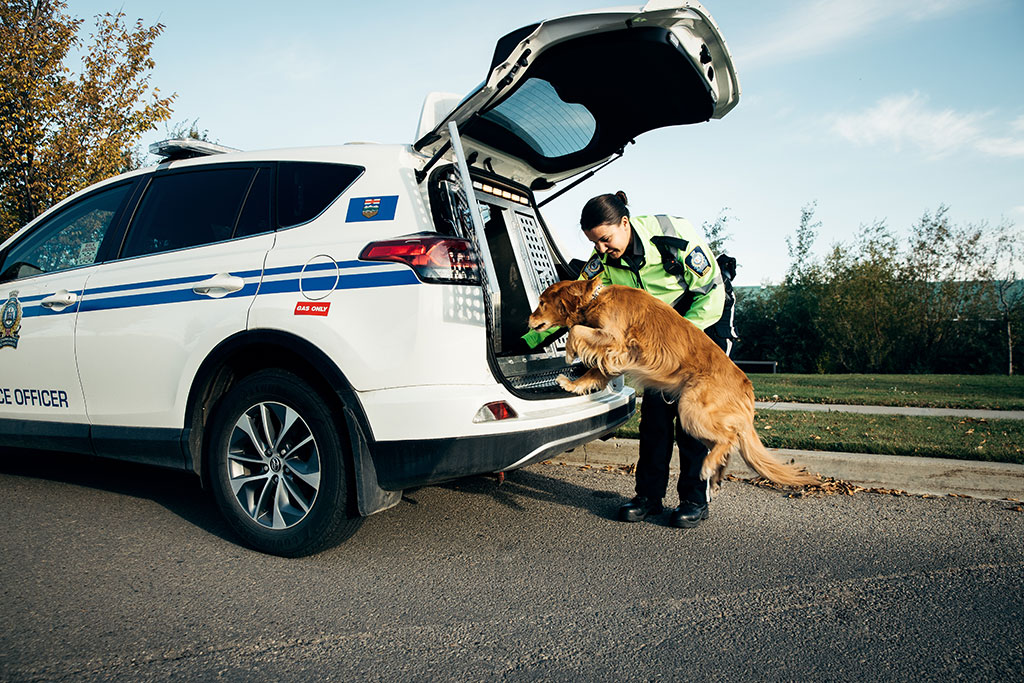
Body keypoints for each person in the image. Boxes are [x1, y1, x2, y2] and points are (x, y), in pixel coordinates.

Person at [577, 191, 730, 528]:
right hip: (657, 334)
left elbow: (711, 291)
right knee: (655, 420)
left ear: (625, 223)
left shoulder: (673, 237)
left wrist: (679, 343)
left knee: (692, 421)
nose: (601, 249)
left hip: (702, 321)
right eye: (594, 243)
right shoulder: (601, 261)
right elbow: (582, 304)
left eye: (605, 239)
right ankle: (649, 497)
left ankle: (694, 500)